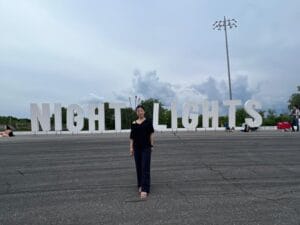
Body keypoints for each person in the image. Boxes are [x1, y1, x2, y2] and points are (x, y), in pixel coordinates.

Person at [129, 105, 154, 200]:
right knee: (138, 167)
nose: (140, 112)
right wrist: (131, 148)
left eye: (141, 111)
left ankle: (145, 189)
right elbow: (132, 137)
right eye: (138, 111)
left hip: (146, 147)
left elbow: (151, 134)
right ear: (136, 113)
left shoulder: (148, 122)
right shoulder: (134, 123)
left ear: (144, 112)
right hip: (137, 148)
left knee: (145, 167)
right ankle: (140, 184)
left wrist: (152, 145)